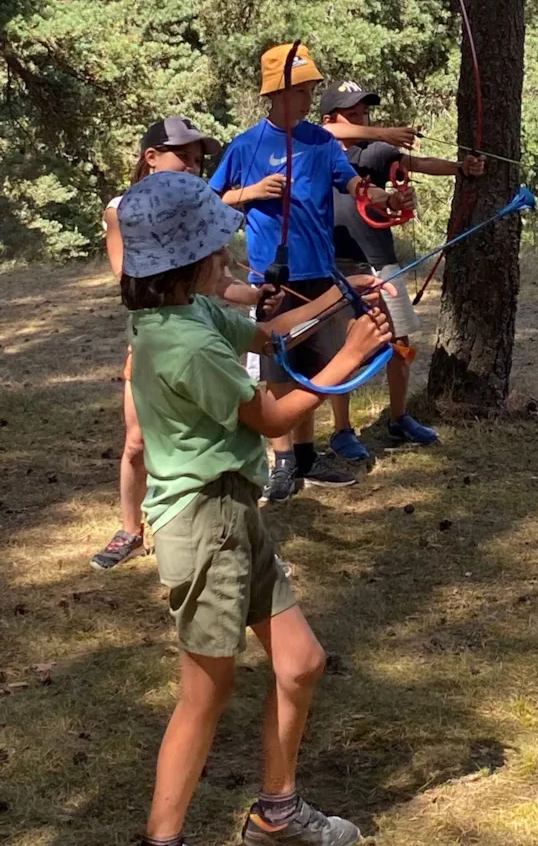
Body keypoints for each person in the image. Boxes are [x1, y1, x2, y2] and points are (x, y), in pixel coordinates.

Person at [120, 171, 392, 846]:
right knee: (204, 693)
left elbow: (266, 334)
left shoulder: (189, 311)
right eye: (220, 249)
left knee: (300, 661)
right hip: (203, 524)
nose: (230, 259)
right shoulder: (181, 341)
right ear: (195, 259)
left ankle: (277, 812)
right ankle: (164, 839)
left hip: (234, 513)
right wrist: (351, 356)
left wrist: (340, 300)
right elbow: (269, 415)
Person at [212, 44, 394, 503]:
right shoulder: (246, 145)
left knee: (315, 364)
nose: (309, 98)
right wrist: (250, 192)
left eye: (311, 89)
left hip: (320, 273)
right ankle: (282, 462)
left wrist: (380, 199)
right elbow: (210, 201)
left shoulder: (321, 141)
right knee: (278, 367)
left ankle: (308, 455)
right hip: (274, 277)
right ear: (276, 93)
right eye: (301, 89)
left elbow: (353, 186)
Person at [92, 116, 275, 570]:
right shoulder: (124, 209)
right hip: (156, 337)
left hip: (198, 324)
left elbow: (215, 282)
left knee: (205, 429)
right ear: (150, 157)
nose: (193, 168)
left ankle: (193, 524)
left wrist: (252, 295)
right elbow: (129, 277)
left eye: (198, 161)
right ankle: (130, 528)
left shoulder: (194, 207)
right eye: (183, 158)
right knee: (137, 442)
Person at [321, 81, 486, 447]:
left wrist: (461, 168)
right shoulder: (317, 149)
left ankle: (399, 418)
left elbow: (417, 163)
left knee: (399, 339)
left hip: (379, 259)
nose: (361, 119)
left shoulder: (375, 152)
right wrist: (382, 130)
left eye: (365, 112)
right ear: (330, 116)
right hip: (335, 263)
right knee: (343, 345)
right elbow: (328, 132)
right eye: (353, 113)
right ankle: (342, 430)